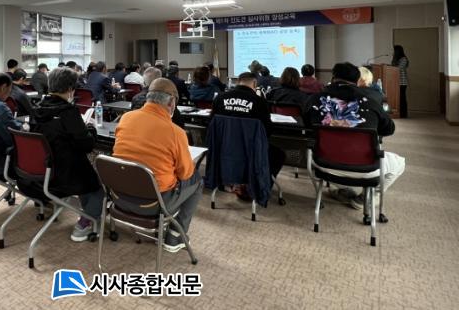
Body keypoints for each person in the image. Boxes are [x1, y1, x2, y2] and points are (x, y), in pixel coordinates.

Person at [114, 78, 203, 253]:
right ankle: (175, 236)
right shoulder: (176, 133)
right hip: (154, 204)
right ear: (172, 102)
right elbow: (185, 174)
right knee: (197, 180)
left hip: (119, 197)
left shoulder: (126, 118)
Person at [305, 62, 404, 209]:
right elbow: (389, 129)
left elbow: (308, 125)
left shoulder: (314, 100)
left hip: (323, 164)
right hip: (364, 167)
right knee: (399, 163)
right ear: (358, 81)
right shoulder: (370, 102)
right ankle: (367, 198)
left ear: (333, 78)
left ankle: (343, 189)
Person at [33, 67, 105, 242]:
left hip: (41, 169)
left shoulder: (37, 108)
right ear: (71, 89)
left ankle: (86, 215)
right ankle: (84, 225)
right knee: (98, 187)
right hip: (65, 172)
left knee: (86, 176)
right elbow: (86, 145)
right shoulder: (68, 112)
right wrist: (90, 130)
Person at [211, 72, 286, 185]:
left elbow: (212, 124)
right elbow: (267, 130)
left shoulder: (219, 98)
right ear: (255, 84)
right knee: (279, 154)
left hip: (223, 146)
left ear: (238, 82)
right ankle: (258, 185)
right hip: (251, 149)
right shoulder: (260, 102)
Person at [392, 45, 409, 118]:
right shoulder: (396, 59)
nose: (393, 52)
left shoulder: (403, 59)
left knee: (402, 99)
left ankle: (403, 114)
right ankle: (398, 113)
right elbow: (393, 67)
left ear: (398, 51)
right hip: (396, 82)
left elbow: (398, 69)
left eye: (394, 51)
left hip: (402, 82)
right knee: (398, 99)